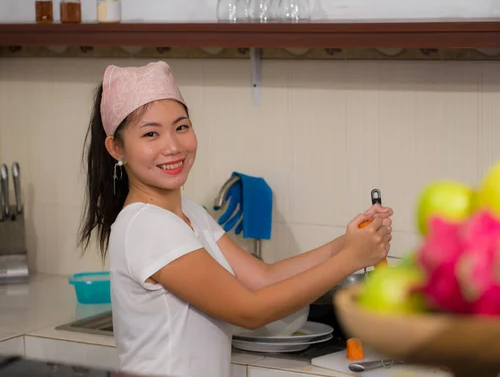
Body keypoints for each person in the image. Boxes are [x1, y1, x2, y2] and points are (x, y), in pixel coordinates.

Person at [78, 61, 393, 377]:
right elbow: (250, 310)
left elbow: (264, 277)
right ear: (116, 147)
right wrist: (351, 258)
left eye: (181, 127)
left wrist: (350, 241)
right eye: (151, 133)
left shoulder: (187, 212)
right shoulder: (147, 226)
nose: (173, 146)